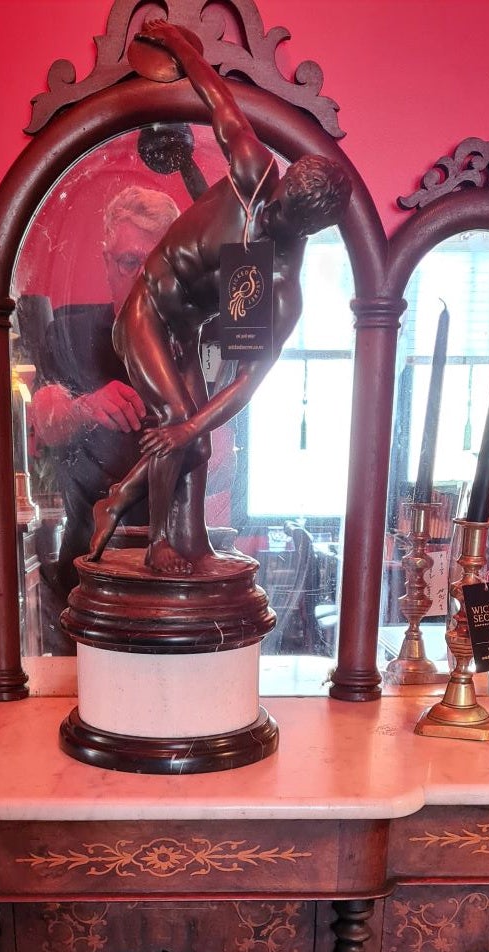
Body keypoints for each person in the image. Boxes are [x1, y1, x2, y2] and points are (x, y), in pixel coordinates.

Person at [88, 21, 351, 574]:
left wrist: (189, 430)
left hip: (182, 332)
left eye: (282, 223)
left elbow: (247, 381)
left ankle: (183, 535)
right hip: (146, 309)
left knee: (198, 442)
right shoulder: (255, 172)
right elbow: (217, 98)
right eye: (274, 204)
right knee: (180, 415)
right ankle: (159, 541)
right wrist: (184, 49)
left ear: (305, 233)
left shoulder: (279, 286)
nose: (267, 217)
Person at [27, 186, 180, 601]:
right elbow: (45, 420)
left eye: (158, 265)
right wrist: (87, 407)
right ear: (107, 262)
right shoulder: (70, 330)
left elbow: (223, 468)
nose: (144, 280)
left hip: (172, 567)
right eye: (130, 262)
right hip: (88, 563)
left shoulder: (197, 337)